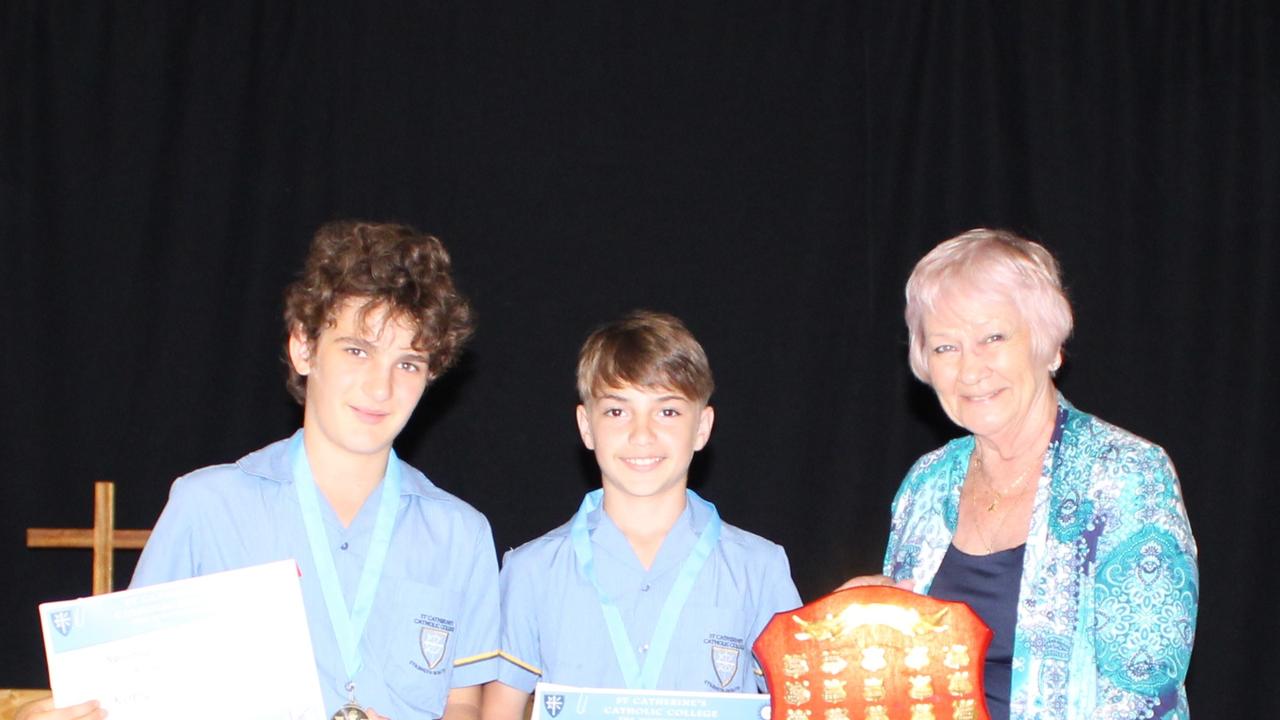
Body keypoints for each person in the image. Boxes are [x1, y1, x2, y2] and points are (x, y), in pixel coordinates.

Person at [21, 221, 499, 720]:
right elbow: (130, 698)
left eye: (408, 364)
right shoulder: (206, 506)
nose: (381, 388)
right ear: (304, 348)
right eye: (358, 351)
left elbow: (464, 703)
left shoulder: (460, 533)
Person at [840, 229, 1198, 719]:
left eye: (993, 338)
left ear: (1048, 346)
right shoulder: (925, 485)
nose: (970, 370)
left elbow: (1143, 695)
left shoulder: (1125, 474)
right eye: (946, 348)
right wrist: (859, 627)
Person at [482, 311, 801, 720]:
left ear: (702, 427)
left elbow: (799, 706)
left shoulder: (760, 569)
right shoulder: (530, 571)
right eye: (617, 411)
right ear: (586, 426)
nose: (642, 434)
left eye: (667, 412)